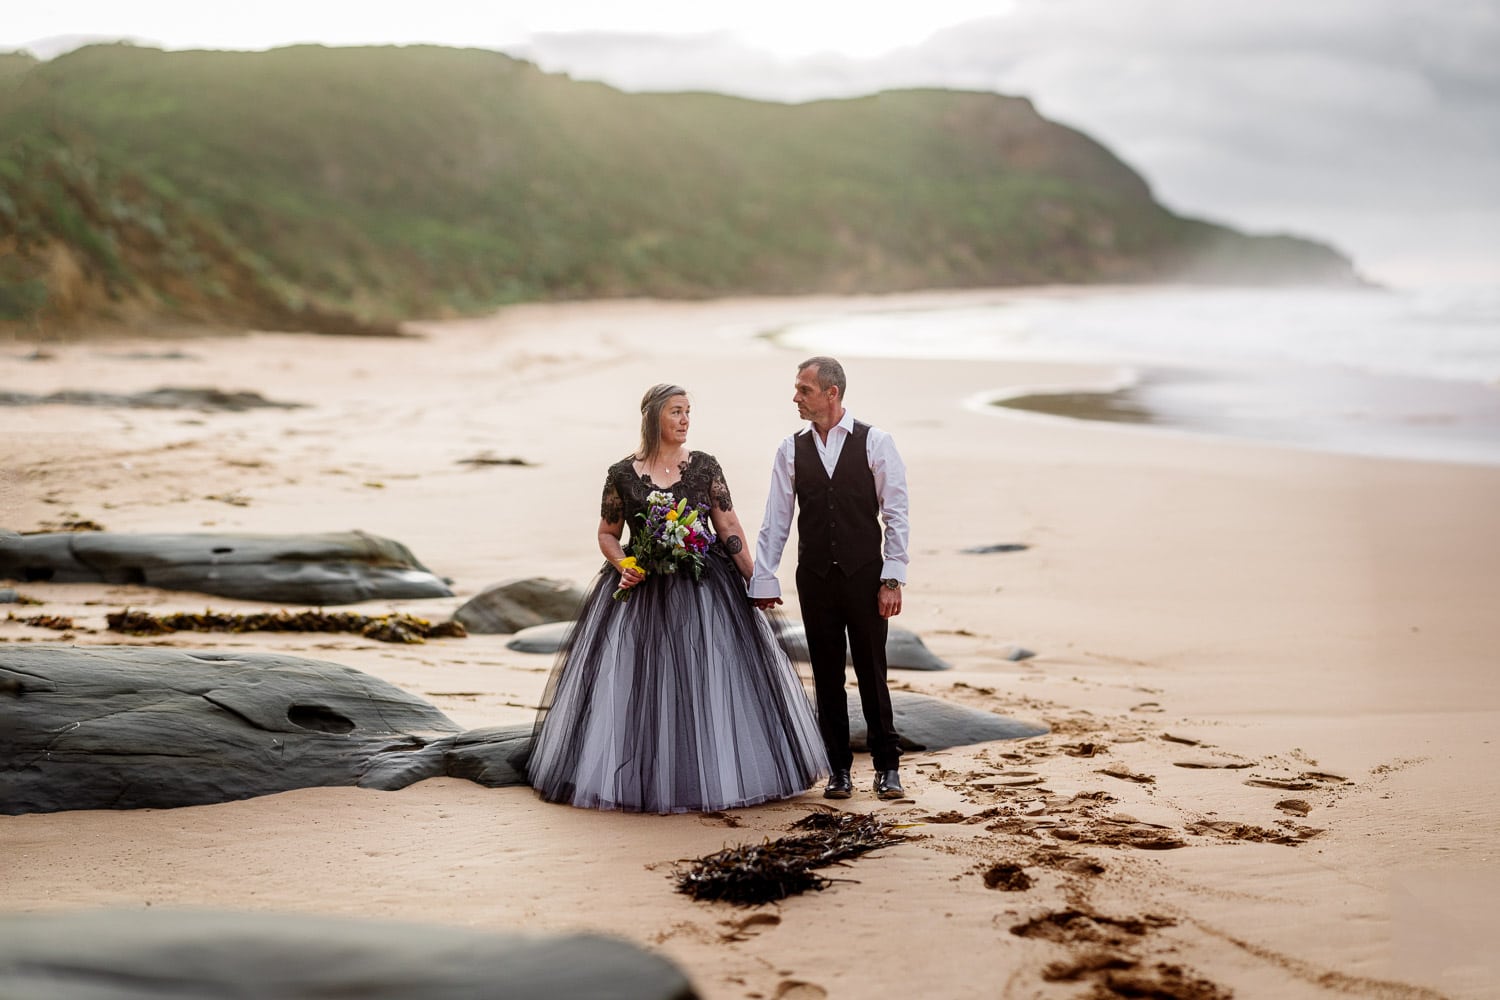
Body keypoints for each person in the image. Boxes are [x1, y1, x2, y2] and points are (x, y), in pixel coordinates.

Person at [527, 383, 828, 814]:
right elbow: (608, 533)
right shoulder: (621, 474)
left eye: (689, 412)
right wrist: (621, 564)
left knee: (710, 682)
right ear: (654, 417)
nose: (686, 420)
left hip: (707, 589)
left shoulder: (705, 466)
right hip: (642, 593)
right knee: (644, 686)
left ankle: (710, 777)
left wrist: (757, 579)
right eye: (676, 412)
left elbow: (728, 527)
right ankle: (646, 781)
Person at [750, 357, 910, 800]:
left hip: (865, 577)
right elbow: (776, 521)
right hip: (815, 578)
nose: (796, 397)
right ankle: (838, 769)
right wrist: (764, 578)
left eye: (804, 389)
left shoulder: (876, 442)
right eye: (798, 389)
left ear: (831, 393)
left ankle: (887, 767)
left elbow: (896, 514)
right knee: (826, 675)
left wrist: (892, 578)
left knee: (872, 671)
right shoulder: (790, 449)